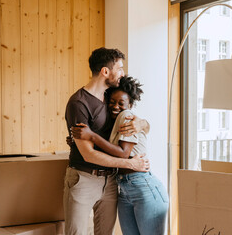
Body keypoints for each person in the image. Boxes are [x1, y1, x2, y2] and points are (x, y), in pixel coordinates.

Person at [64, 48, 150, 235]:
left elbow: (137, 120)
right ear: (105, 71)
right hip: (84, 178)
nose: (122, 73)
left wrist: (141, 122)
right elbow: (89, 154)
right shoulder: (78, 103)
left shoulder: (112, 95)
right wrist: (130, 163)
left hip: (110, 180)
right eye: (119, 68)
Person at [72, 75, 169, 235]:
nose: (115, 106)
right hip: (124, 189)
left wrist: (91, 135)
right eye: (112, 102)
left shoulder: (127, 116)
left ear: (130, 104)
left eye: (121, 103)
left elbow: (123, 154)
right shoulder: (113, 120)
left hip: (144, 187)